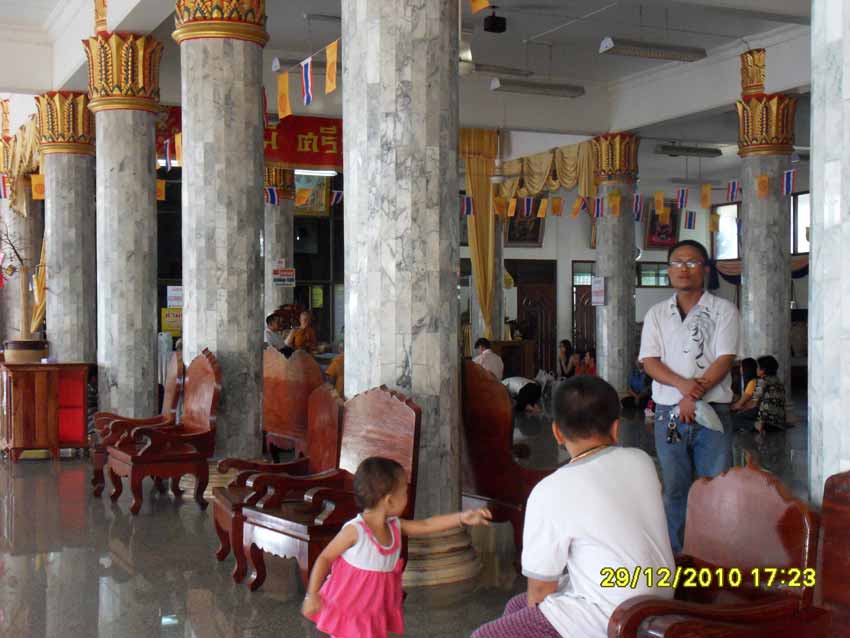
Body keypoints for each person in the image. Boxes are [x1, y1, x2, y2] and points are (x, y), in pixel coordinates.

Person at [471, 376, 674, 638]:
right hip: (656, 599)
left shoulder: (551, 490)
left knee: (483, 635)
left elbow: (540, 592)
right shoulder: (642, 460)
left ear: (557, 432)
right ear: (615, 428)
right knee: (515, 606)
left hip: (613, 615)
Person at [301, 457, 492, 637]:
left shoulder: (395, 526)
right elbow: (325, 558)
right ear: (389, 500)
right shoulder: (355, 530)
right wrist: (312, 595)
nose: (407, 496)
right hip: (350, 611)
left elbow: (426, 525)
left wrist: (461, 518)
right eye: (405, 492)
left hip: (372, 612)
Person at [639, 239, 741, 553]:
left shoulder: (724, 311)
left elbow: (724, 359)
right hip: (669, 414)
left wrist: (692, 396)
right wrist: (683, 387)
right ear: (669, 270)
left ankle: (715, 556)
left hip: (713, 413)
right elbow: (650, 361)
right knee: (674, 488)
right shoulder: (656, 314)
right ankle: (676, 556)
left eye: (692, 262)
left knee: (716, 487)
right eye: (677, 262)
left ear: (706, 270)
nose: (684, 268)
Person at [752, 355, 786, 434]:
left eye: (757, 367)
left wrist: (741, 408)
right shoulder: (778, 381)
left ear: (763, 370)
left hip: (765, 420)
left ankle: (757, 426)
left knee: (738, 418)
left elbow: (754, 403)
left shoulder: (762, 381)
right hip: (779, 421)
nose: (756, 369)